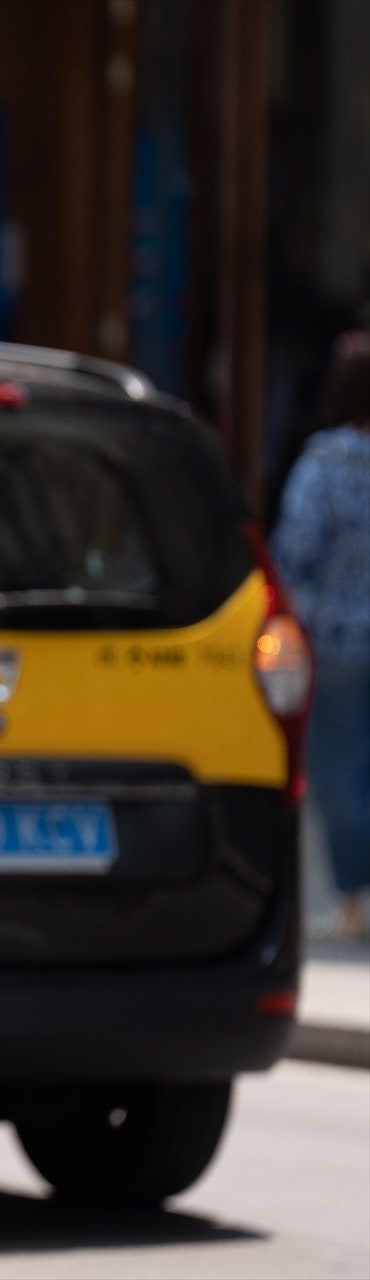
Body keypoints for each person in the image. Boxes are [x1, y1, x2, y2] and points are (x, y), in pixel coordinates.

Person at [272, 337, 370, 938]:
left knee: (338, 770)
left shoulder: (324, 466)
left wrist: (304, 616)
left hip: (335, 641)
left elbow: (293, 555)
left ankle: (356, 902)